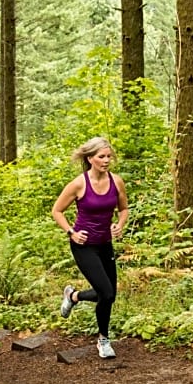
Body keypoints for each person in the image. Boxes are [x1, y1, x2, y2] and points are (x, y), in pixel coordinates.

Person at [51, 137, 129, 359]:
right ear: (90, 158)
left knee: (109, 295)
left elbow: (124, 209)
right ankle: (103, 340)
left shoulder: (117, 181)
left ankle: (73, 296)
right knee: (105, 292)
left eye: (108, 156)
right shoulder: (79, 184)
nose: (106, 161)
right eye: (101, 157)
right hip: (84, 246)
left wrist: (119, 225)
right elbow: (57, 210)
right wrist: (71, 232)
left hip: (105, 244)